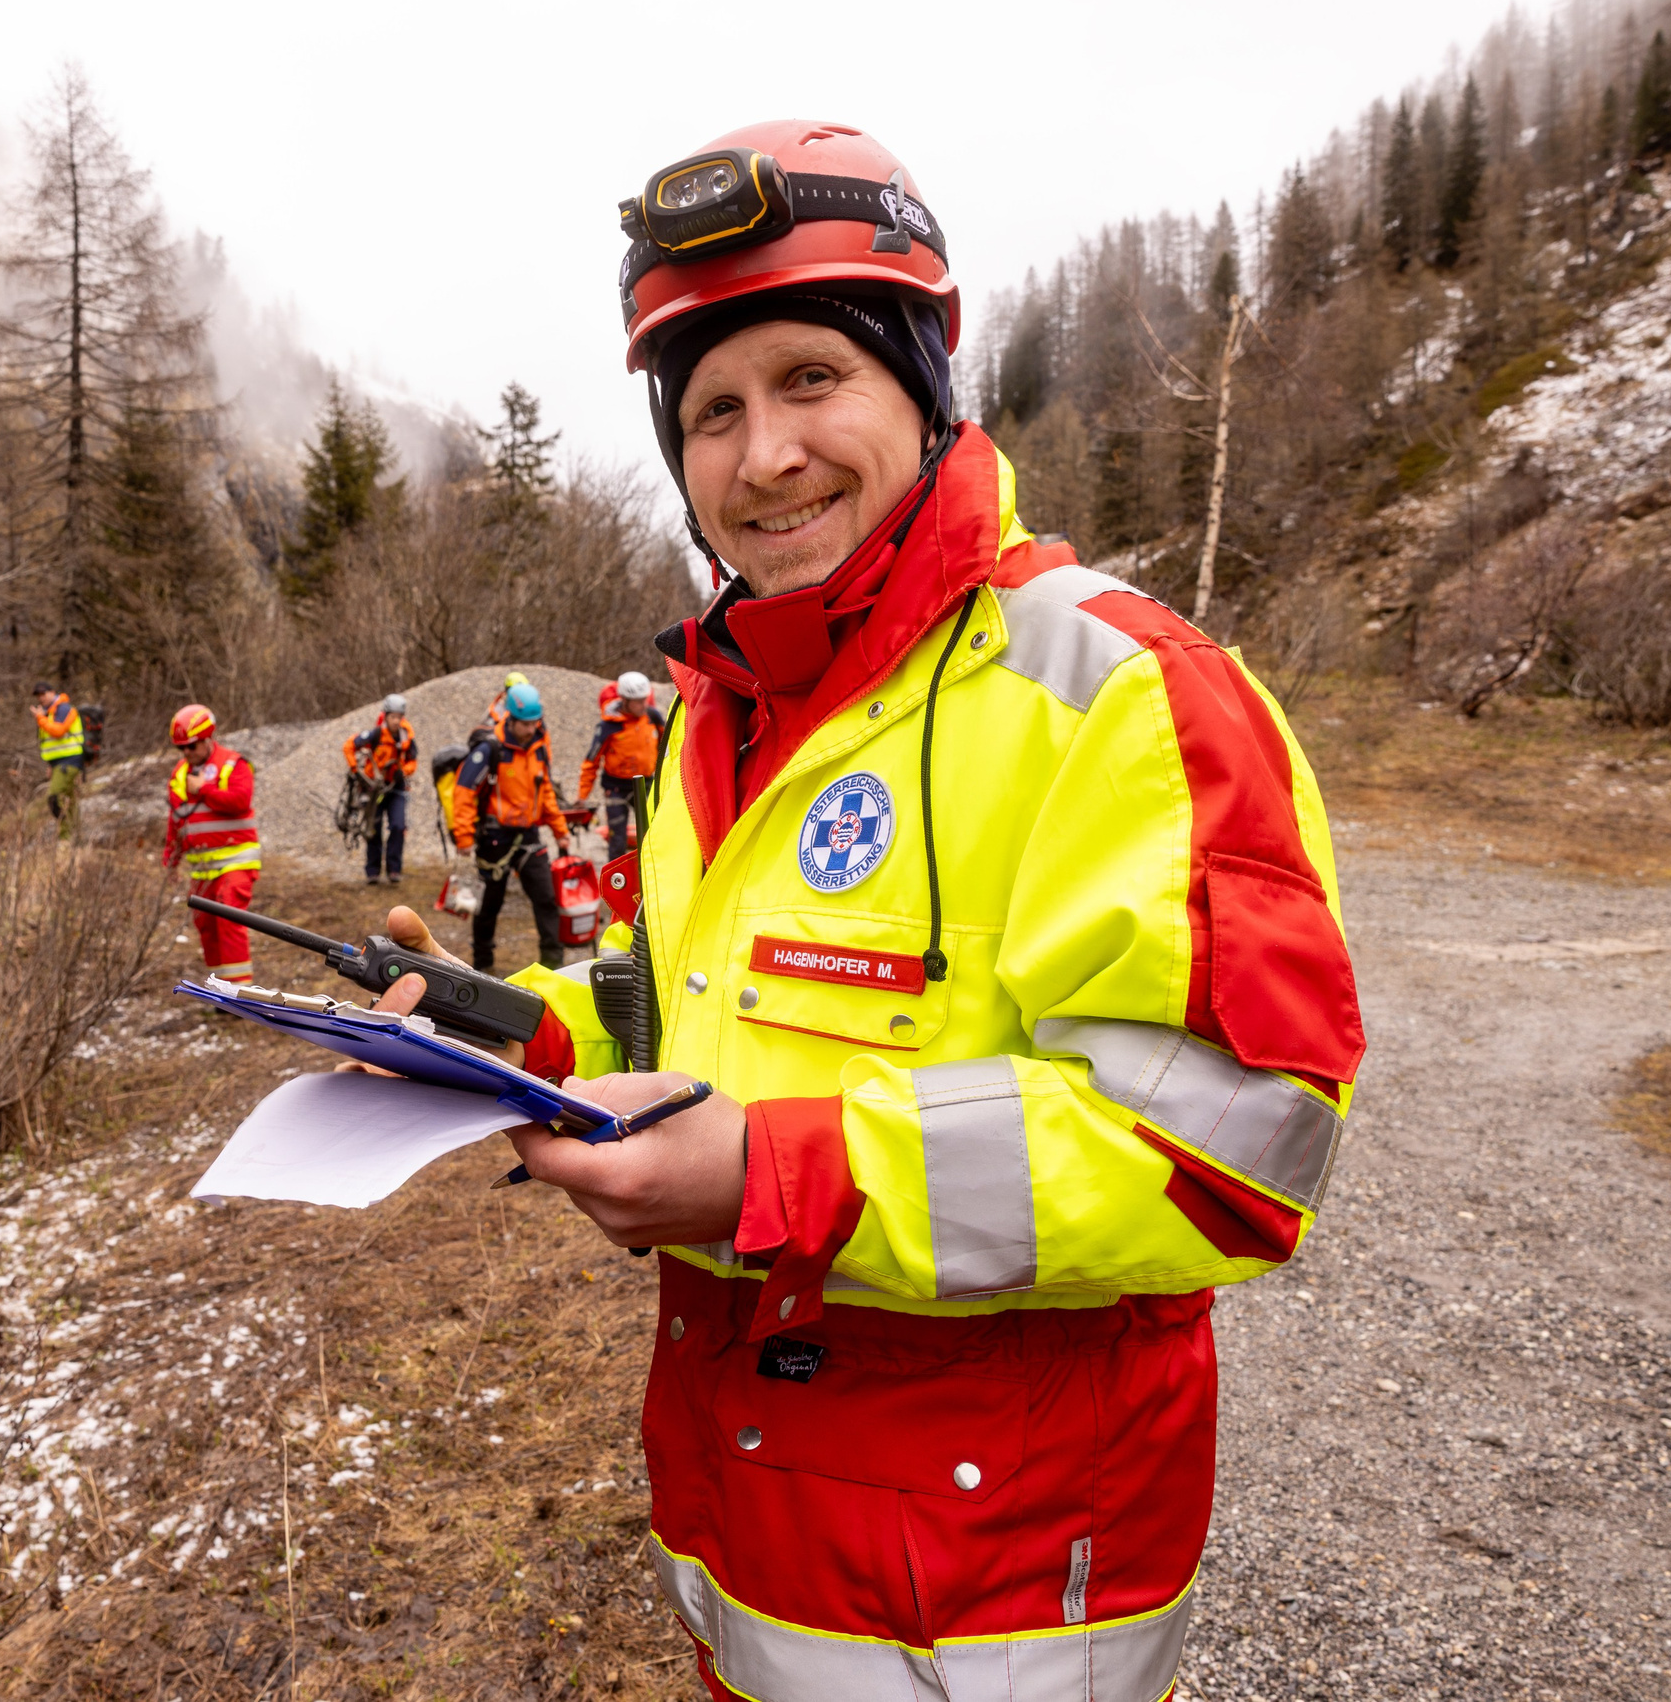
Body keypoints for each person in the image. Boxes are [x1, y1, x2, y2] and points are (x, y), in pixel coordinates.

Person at [359, 122, 1362, 1701]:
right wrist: (506, 1032)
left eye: (812, 376)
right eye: (713, 411)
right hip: (750, 1539)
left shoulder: (1118, 689)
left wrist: (767, 1174)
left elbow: (1225, 1151)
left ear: (920, 383)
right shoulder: (721, 708)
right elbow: (687, 1005)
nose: (764, 455)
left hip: (1000, 1598)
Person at [449, 681, 572, 973]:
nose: (531, 729)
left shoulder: (538, 747)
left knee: (546, 899)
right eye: (526, 725)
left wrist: (560, 831)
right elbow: (464, 791)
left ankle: (553, 964)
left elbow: (546, 793)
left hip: (529, 836)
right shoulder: (490, 748)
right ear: (511, 719)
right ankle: (482, 964)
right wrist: (464, 837)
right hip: (494, 839)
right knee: (489, 905)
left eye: (535, 723)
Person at [162, 703, 260, 985]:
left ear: (207, 739)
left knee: (229, 919)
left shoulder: (234, 764)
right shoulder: (180, 774)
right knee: (205, 925)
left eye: (191, 746)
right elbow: (176, 820)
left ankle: (240, 994)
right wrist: (171, 859)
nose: (186, 753)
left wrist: (203, 790)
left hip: (236, 860)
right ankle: (220, 990)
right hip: (202, 868)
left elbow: (241, 801)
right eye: (181, 749)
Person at [575, 670, 661, 849]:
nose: (643, 705)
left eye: (644, 699)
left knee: (655, 831)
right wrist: (582, 796)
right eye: (638, 701)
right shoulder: (609, 725)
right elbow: (591, 761)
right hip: (616, 788)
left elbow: (669, 745)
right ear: (625, 700)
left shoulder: (652, 717)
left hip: (646, 783)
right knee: (617, 838)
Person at [345, 693, 418, 885]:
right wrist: (355, 769)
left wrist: (403, 772)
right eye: (392, 716)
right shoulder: (374, 735)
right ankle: (373, 871)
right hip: (374, 789)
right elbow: (349, 746)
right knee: (373, 828)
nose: (396, 721)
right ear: (385, 716)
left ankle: (394, 869)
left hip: (396, 788)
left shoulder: (406, 738)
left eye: (399, 717)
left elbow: (413, 760)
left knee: (398, 826)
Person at [30, 682, 87, 842]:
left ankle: (65, 837)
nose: (40, 698)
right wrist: (50, 765)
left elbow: (58, 731)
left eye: (43, 694)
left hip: (71, 760)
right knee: (70, 800)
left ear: (52, 692)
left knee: (55, 797)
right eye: (38, 695)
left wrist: (40, 718)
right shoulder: (49, 713)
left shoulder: (65, 709)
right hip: (58, 764)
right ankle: (77, 839)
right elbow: (50, 744)